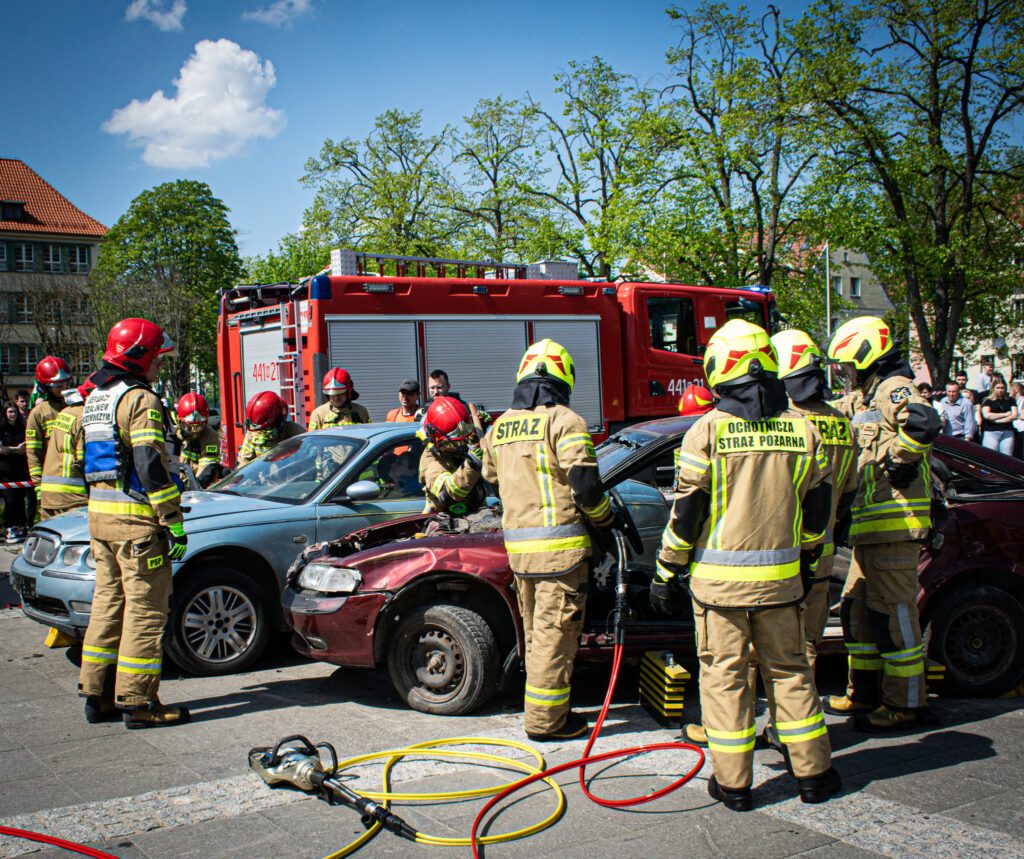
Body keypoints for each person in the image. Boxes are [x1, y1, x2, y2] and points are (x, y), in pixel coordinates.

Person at [654, 319, 838, 810]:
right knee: (792, 674)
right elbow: (818, 510)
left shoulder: (706, 431)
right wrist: (809, 558)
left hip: (719, 593)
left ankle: (734, 786)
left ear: (720, 367)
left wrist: (666, 570)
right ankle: (814, 776)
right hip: (782, 586)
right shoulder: (803, 429)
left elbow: (687, 515)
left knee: (725, 680)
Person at [480, 339, 615, 742]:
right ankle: (546, 723)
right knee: (555, 640)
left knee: (537, 639)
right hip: (561, 558)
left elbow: (490, 478)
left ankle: (544, 710)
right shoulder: (565, 421)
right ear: (563, 378)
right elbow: (585, 486)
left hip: (521, 556)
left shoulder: (499, 426)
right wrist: (605, 520)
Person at [823, 315, 942, 732]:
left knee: (894, 617)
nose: (845, 373)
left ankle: (905, 704)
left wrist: (897, 459)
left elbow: (925, 423)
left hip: (895, 528)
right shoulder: (866, 397)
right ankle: (864, 693)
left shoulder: (895, 388)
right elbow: (832, 414)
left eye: (847, 365)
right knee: (856, 612)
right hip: (869, 531)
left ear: (866, 355)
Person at [78, 318, 190, 728]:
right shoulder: (140, 399)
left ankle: (98, 696)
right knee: (145, 612)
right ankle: (139, 704)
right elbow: (149, 465)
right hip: (136, 525)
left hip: (100, 522)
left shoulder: (97, 397)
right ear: (139, 357)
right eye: (157, 358)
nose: (160, 365)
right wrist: (172, 520)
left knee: (107, 607)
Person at [38, 378, 96, 520]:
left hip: (49, 495)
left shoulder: (65, 412)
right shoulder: (85, 416)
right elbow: (84, 460)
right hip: (73, 497)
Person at [419, 396, 486, 516]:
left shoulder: (455, 449)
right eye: (455, 442)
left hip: (477, 514)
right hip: (446, 519)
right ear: (436, 440)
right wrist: (472, 465)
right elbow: (449, 494)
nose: (463, 444)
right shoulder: (430, 460)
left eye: (465, 439)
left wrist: (481, 432)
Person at [25, 356, 75, 511]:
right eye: (57, 385)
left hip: (79, 488)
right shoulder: (39, 414)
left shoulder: (78, 408)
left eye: (66, 382)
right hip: (52, 491)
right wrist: (39, 488)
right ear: (45, 387)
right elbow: (33, 454)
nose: (63, 387)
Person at [236, 392, 305, 467]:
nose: (261, 432)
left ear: (277, 420)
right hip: (262, 473)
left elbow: (305, 460)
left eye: (266, 429)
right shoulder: (253, 433)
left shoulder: (296, 432)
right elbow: (244, 462)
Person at [175, 393, 222, 487]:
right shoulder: (171, 436)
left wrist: (195, 490)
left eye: (199, 426)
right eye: (189, 427)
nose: (194, 431)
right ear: (179, 420)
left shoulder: (210, 437)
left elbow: (206, 470)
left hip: (196, 487)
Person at [0, 402, 30, 544]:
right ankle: (9, 527)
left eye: (15, 412)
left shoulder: (21, 428)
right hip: (6, 469)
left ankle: (20, 526)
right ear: (5, 414)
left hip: (20, 467)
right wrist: (16, 449)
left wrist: (18, 449)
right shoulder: (2, 429)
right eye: (10, 412)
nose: (13, 415)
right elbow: (2, 450)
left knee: (19, 499)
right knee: (10, 499)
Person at [980, 380, 1018, 455]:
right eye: (998, 388)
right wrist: (1005, 414)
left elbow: (1014, 415)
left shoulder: (1010, 400)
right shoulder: (988, 400)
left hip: (1007, 431)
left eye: (1002, 388)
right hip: (991, 432)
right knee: (990, 455)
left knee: (1007, 456)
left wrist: (998, 421)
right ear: (993, 388)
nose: (1000, 390)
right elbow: (987, 415)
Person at [1012, 380, 1024, 459]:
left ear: (1016, 389)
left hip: (1021, 430)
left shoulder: (1023, 401)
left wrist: (1012, 415)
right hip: (1015, 429)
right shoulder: (1014, 401)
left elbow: (1022, 416)